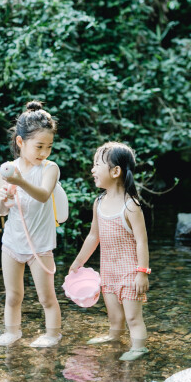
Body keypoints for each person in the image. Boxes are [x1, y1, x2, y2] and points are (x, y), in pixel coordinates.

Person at [69, 142, 151, 361]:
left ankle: (139, 347)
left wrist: (142, 272)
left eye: (97, 165)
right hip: (109, 273)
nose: (92, 170)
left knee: (133, 318)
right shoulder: (99, 202)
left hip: (130, 274)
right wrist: (78, 262)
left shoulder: (131, 206)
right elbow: (93, 236)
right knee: (115, 318)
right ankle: (114, 337)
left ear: (115, 171)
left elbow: (142, 242)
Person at [0, 101, 63, 348]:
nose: (44, 152)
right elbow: (1, 211)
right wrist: (3, 200)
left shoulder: (50, 169)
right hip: (12, 242)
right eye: (39, 146)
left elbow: (43, 195)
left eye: (48, 147)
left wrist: (19, 183)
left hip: (40, 245)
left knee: (46, 297)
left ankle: (53, 334)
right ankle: (12, 332)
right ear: (21, 142)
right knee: (13, 296)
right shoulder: (9, 170)